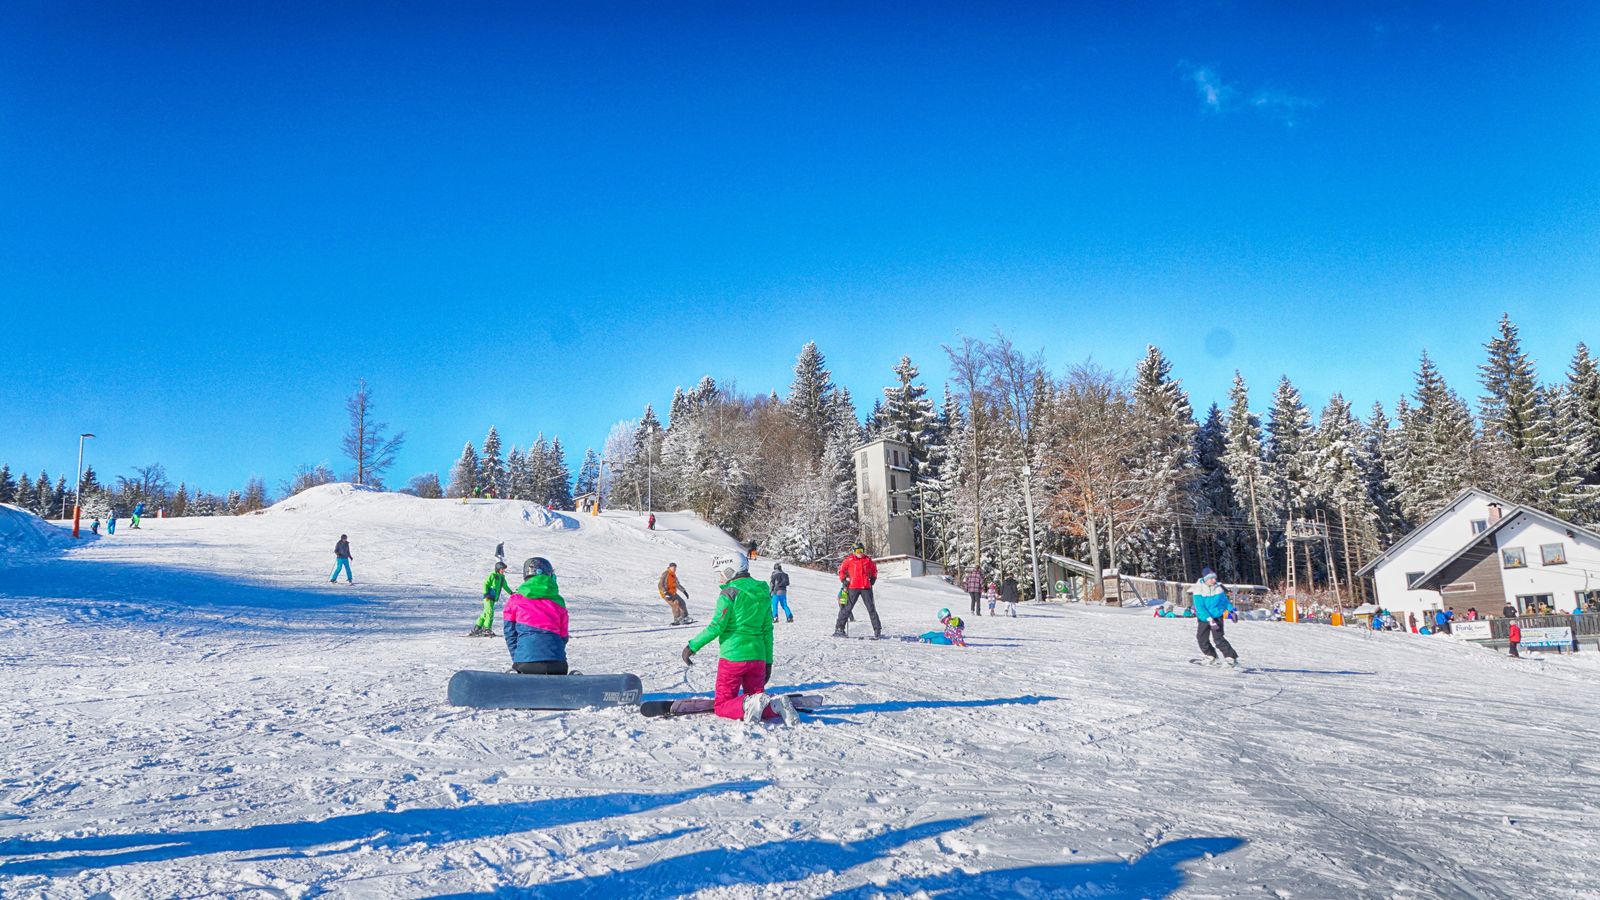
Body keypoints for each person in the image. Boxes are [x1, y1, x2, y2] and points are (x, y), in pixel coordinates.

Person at [680, 552, 798, 725]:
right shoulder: (762, 593)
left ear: (730, 571)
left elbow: (717, 626)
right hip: (758, 657)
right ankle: (774, 705)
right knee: (758, 699)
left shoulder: (729, 594)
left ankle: (749, 704)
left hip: (733, 658)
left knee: (722, 705)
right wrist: (768, 662)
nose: (720, 578)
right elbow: (767, 630)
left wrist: (692, 646)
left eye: (721, 573)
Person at [503, 557, 571, 674]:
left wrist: (519, 656)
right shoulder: (559, 601)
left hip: (526, 662)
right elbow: (563, 636)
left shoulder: (515, 600)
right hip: (558, 663)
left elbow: (510, 633)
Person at [1191, 567, 1239, 666]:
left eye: (1215, 578)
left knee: (1218, 639)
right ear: (1206, 579)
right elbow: (1200, 608)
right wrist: (1209, 619)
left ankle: (1231, 658)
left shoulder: (1218, 588)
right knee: (1201, 638)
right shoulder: (1198, 590)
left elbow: (1224, 602)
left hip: (1217, 617)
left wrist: (1231, 611)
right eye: (1211, 578)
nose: (1214, 580)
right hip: (1204, 618)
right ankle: (1210, 656)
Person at [834, 543, 881, 639]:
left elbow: (874, 570)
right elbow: (841, 570)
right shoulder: (849, 560)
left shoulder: (868, 560)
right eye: (857, 551)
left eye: (861, 551)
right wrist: (843, 580)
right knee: (847, 608)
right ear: (854, 552)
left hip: (866, 587)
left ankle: (877, 629)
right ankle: (839, 628)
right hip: (853, 587)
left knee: (871, 608)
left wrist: (873, 579)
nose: (859, 553)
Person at [472, 561, 513, 637]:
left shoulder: (502, 577)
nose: (503, 571)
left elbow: (505, 586)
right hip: (488, 597)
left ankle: (477, 627)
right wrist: (486, 593)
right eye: (502, 569)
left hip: (493, 598)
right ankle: (486, 628)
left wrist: (511, 593)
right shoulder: (492, 575)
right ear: (498, 569)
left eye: (504, 569)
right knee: (490, 612)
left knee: (486, 612)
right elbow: (485, 584)